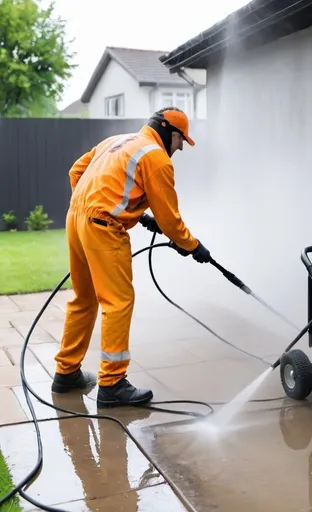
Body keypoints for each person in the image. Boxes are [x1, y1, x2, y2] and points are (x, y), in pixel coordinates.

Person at [51, 107, 210, 408]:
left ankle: (66, 372)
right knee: (118, 301)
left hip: (76, 219)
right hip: (102, 228)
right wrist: (193, 246)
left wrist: (100, 209)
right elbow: (170, 221)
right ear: (169, 131)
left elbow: (76, 172)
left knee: (84, 299)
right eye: (180, 140)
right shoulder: (156, 158)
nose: (179, 148)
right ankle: (112, 384)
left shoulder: (118, 141)